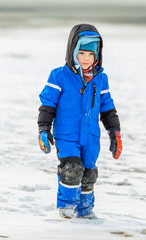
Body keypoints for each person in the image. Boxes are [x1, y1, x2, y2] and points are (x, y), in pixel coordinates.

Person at [37, 24, 122, 219]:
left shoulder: (100, 79)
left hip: (91, 136)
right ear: (73, 51)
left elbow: (107, 109)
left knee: (89, 173)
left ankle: (84, 211)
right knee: (72, 169)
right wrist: (43, 128)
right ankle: (66, 206)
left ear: (97, 55)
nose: (85, 59)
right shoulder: (59, 75)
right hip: (66, 135)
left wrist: (114, 133)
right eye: (81, 53)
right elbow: (47, 104)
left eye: (90, 54)